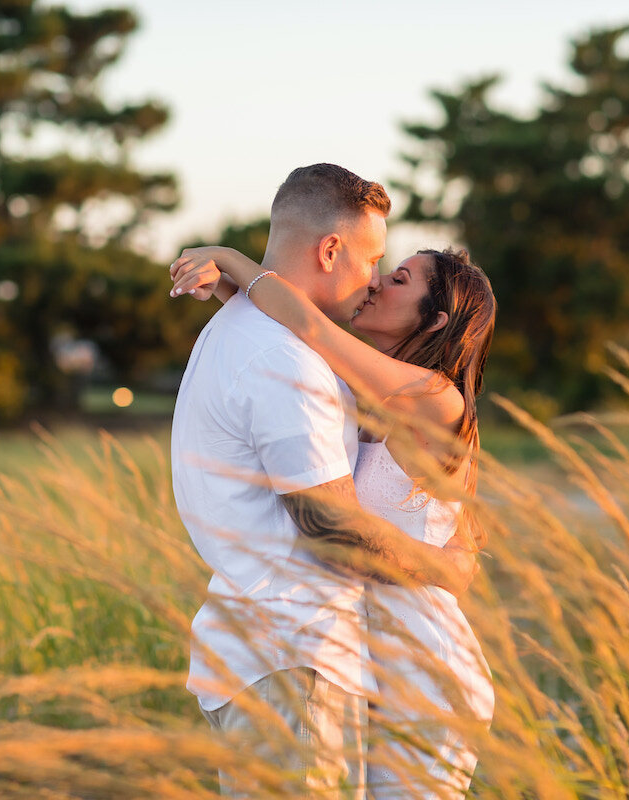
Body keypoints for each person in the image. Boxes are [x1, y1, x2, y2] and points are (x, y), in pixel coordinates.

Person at [169, 163, 478, 798]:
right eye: (375, 263)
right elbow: (330, 525)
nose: (374, 283)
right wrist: (236, 275)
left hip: (402, 663)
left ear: (437, 321)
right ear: (331, 249)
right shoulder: (289, 357)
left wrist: (233, 263)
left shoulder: (428, 394)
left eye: (395, 277)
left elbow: (304, 329)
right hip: (300, 654)